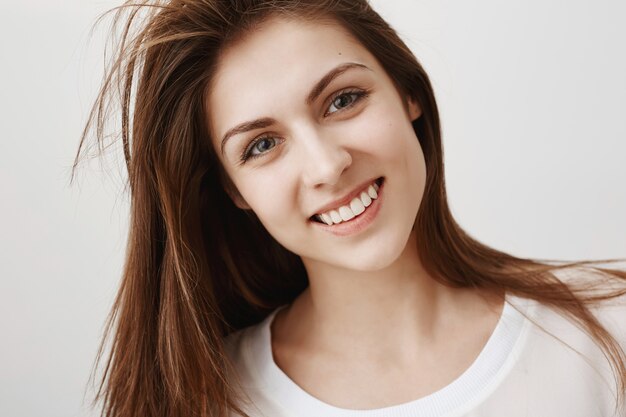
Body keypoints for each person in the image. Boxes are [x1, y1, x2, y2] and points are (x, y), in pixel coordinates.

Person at [74, 1, 626, 416]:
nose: (325, 165)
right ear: (234, 190)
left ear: (407, 91)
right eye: (261, 145)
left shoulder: (607, 336)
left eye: (343, 99)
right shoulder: (208, 403)